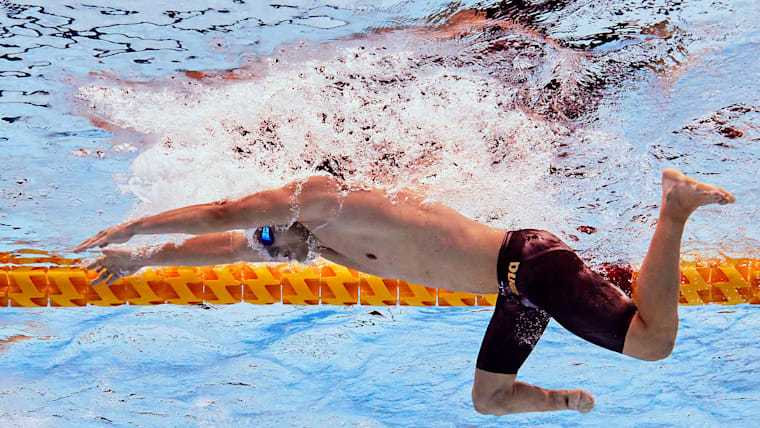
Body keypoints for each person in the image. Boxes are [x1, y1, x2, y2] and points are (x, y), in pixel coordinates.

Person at [74, 169, 735, 415]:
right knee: (490, 400)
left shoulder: (323, 199)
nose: (264, 228)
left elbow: (224, 215)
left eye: (267, 216)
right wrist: (142, 260)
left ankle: (673, 207)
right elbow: (232, 244)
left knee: (652, 343)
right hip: (518, 292)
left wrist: (137, 225)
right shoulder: (314, 238)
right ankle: (563, 401)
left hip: (530, 263)